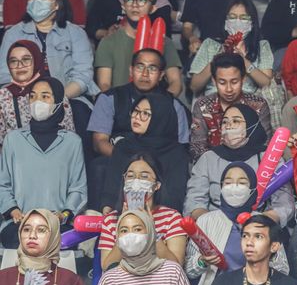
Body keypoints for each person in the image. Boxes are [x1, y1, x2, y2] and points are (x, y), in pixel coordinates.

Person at [185, 163, 290, 285]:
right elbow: (189, 270)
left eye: (241, 183)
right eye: (228, 183)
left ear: (252, 189)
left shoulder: (264, 223)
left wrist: (266, 259)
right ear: (220, 188)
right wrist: (202, 261)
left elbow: (283, 269)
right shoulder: (205, 221)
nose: (234, 187)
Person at [0, 78, 87, 248]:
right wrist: (14, 211)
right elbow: (2, 184)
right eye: (33, 96)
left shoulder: (72, 142)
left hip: (58, 225)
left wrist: (63, 215)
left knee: (60, 241)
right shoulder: (13, 140)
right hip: (21, 225)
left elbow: (78, 188)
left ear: (58, 102)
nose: (37, 101)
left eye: (45, 96)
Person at [0, 0, 98, 122]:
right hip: (23, 98)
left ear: (57, 3)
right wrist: (33, 98)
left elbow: (83, 75)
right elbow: (4, 74)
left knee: (80, 113)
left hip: (67, 96)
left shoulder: (75, 33)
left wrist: (56, 99)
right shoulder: (13, 34)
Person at [185, 104, 294, 224]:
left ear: (251, 124)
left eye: (236, 121)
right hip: (216, 225)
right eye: (225, 122)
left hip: (260, 225)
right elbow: (194, 201)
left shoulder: (269, 157)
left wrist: (258, 223)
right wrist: (212, 223)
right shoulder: (208, 159)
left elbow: (284, 204)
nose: (229, 126)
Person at [89, 209, 196, 285]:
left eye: (137, 229)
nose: (130, 235)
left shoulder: (173, 273)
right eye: (124, 231)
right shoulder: (108, 280)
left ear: (150, 233)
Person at [189, 0, 282, 127]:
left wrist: (244, 61)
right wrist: (217, 60)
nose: (237, 21)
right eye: (232, 17)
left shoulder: (261, 46)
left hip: (249, 106)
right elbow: (194, 85)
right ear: (225, 21)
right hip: (214, 103)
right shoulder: (210, 44)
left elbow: (266, 82)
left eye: (244, 18)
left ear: (252, 22)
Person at [88, 48, 189, 159]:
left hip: (160, 163)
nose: (145, 74)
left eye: (152, 68)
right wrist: (130, 161)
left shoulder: (173, 105)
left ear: (161, 75)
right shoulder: (110, 98)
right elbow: (99, 142)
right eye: (140, 67)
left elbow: (181, 147)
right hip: (119, 158)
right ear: (131, 70)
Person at [94, 0, 182, 97]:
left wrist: (160, 105)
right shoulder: (108, 42)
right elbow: (104, 85)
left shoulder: (165, 42)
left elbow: (175, 83)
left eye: (142, 0)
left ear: (153, 8)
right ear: (123, 5)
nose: (135, 5)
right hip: (119, 106)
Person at [101, 93, 189, 213]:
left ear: (160, 117)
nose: (137, 117)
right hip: (123, 216)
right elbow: (111, 191)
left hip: (162, 219)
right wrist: (108, 213)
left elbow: (175, 197)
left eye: (145, 113)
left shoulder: (176, 153)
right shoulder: (123, 146)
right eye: (136, 111)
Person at [99, 154, 187, 270]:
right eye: (130, 176)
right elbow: (107, 267)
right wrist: (123, 225)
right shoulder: (111, 220)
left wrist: (149, 226)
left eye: (144, 176)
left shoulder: (171, 217)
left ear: (156, 185)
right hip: (124, 283)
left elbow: (176, 265)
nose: (136, 181)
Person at [0, 209, 88, 285]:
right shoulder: (3, 277)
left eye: (41, 230)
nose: (32, 236)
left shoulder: (70, 280)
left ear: (54, 236)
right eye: (26, 229)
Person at [190, 53, 272, 161]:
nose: (229, 89)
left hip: (251, 166)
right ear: (214, 81)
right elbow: (197, 146)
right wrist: (220, 164)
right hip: (213, 165)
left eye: (234, 82)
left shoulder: (258, 105)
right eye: (222, 82)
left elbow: (265, 144)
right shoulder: (203, 106)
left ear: (243, 79)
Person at [0, 40, 74, 146]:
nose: (19, 65)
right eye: (13, 61)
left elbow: (69, 138)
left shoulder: (53, 90)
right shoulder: (2, 96)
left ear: (37, 60)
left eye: (26, 59)